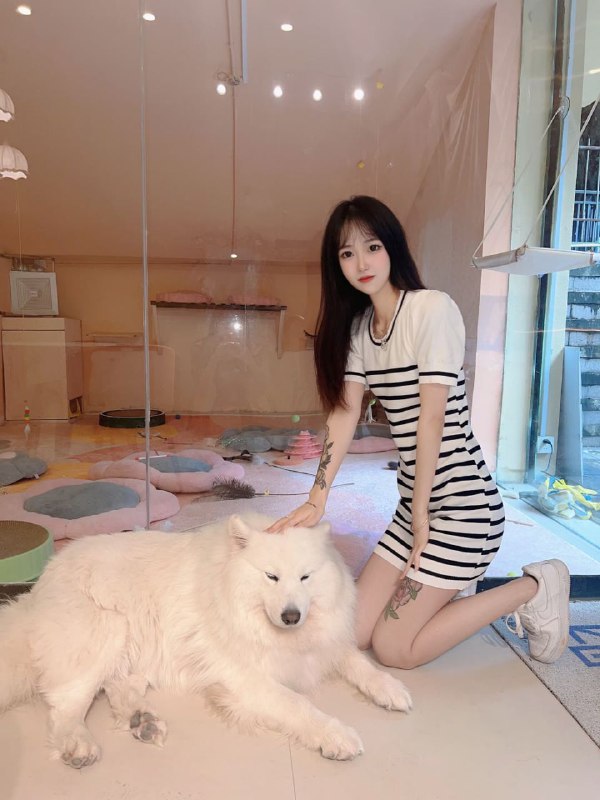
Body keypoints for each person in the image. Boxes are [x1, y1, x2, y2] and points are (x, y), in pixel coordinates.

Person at [268, 195, 570, 669]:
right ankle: (437, 589)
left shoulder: (432, 309)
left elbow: (432, 418)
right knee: (353, 632)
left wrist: (424, 514)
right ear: (336, 264)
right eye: (347, 253)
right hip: (415, 506)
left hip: (466, 511)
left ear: (392, 247)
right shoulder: (360, 330)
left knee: (395, 648)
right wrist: (317, 499)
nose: (361, 263)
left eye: (372, 247)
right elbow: (344, 414)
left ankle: (535, 585)